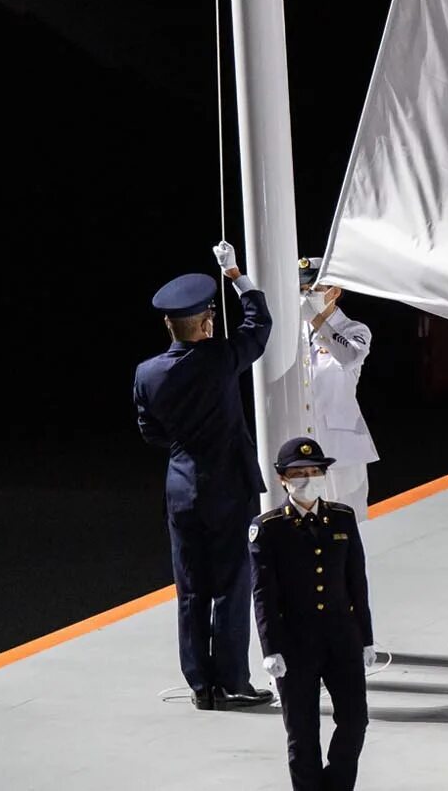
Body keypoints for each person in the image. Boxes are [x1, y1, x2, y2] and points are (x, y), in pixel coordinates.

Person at [132, 241, 274, 710]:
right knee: (233, 586)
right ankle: (233, 679)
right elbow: (259, 326)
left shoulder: (147, 373)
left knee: (191, 589)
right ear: (208, 321)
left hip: (182, 487)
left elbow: (150, 431)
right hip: (229, 489)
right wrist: (236, 276)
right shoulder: (217, 359)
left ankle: (201, 686)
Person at [251, 436, 375, 791]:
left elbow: (356, 582)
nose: (308, 478)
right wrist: (270, 648)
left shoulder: (341, 517)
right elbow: (264, 593)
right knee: (303, 733)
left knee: (355, 721)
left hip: (341, 639)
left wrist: (365, 637)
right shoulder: (269, 528)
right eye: (299, 473)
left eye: (314, 471)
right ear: (283, 479)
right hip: (295, 643)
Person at [297, 257, 380, 512]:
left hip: (341, 448)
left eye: (313, 290)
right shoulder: (296, 330)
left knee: (349, 520)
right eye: (301, 290)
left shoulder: (355, 330)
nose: (305, 296)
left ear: (335, 292)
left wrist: (317, 321)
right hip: (304, 447)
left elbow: (350, 356)